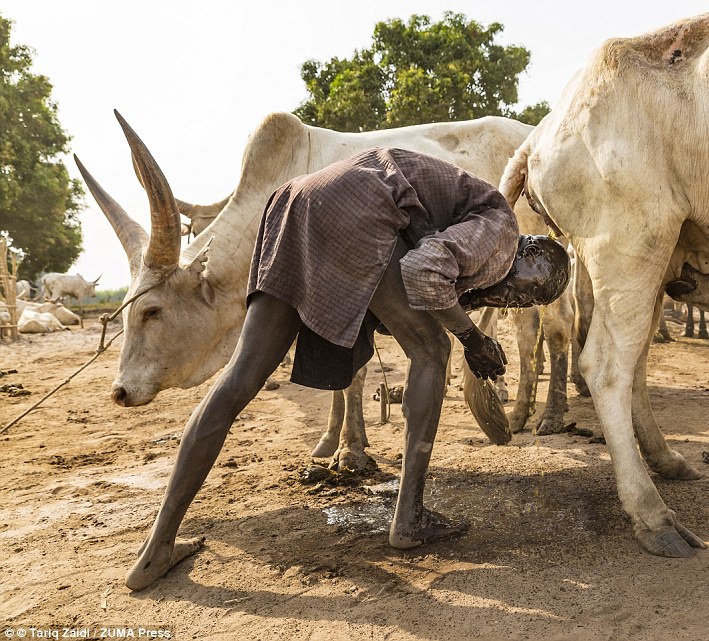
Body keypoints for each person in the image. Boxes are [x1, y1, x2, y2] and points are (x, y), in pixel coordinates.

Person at [125, 147, 570, 591]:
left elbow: (411, 280)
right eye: (522, 294)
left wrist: (464, 325)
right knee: (432, 350)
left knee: (241, 376)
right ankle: (410, 518)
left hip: (295, 203)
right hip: (357, 204)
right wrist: (473, 339)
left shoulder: (473, 228)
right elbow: (421, 268)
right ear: (527, 256)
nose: (510, 303)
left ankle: (155, 550)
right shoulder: (501, 227)